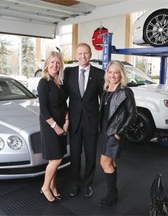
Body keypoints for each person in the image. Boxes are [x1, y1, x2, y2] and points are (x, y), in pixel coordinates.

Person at [63, 43, 105, 198]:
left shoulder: (100, 74)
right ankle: (75, 183)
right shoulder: (69, 72)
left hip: (91, 122)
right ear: (76, 56)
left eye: (86, 53)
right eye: (80, 53)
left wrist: (103, 123)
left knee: (90, 155)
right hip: (74, 122)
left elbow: (103, 100)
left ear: (91, 55)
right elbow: (63, 98)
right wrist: (64, 117)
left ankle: (87, 184)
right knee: (74, 154)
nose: (83, 56)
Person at [98, 60, 137, 206]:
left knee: (104, 162)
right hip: (103, 131)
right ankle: (113, 193)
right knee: (111, 162)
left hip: (114, 133)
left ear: (121, 74)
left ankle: (111, 194)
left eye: (116, 72)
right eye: (110, 72)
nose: (113, 75)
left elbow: (133, 114)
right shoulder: (106, 89)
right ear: (107, 74)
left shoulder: (126, 91)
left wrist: (119, 133)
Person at [37, 51, 69, 203]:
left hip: (62, 123)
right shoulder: (44, 82)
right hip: (50, 124)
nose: (55, 65)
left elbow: (64, 104)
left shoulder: (60, 82)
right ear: (47, 65)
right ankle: (45, 187)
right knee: (55, 159)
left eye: (57, 63)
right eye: (52, 62)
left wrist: (67, 120)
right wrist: (55, 126)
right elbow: (43, 109)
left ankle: (53, 186)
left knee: (57, 158)